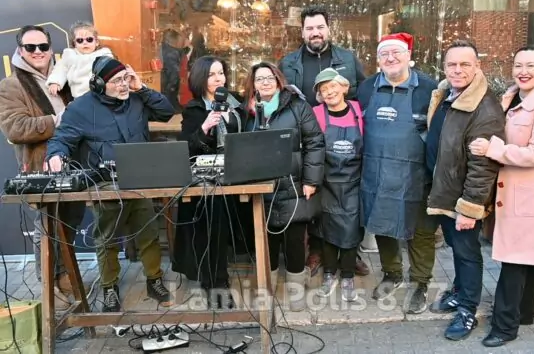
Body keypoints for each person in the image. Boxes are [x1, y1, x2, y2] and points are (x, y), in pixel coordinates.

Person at [46, 56, 175, 312]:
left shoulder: (137, 98)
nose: (123, 84)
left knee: (148, 230)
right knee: (107, 236)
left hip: (139, 177)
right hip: (104, 181)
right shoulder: (80, 108)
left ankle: (154, 280)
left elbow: (166, 112)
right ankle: (109, 287)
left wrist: (142, 88)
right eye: (117, 81)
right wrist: (55, 155)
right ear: (98, 84)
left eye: (126, 78)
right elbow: (61, 139)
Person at [469, 46, 534, 348]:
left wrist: (493, 150)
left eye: (530, 65)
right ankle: (523, 314)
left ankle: (504, 326)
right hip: (514, 193)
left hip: (531, 196)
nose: (523, 71)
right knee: (525, 259)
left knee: (514, 261)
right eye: (518, 65)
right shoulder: (511, 98)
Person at [0, 25, 86, 311]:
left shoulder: (64, 78)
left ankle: (64, 276)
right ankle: (48, 285)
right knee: (48, 225)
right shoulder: (12, 85)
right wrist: (58, 120)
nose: (38, 52)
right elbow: (15, 128)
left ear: (51, 49)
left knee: (70, 220)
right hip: (41, 164)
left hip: (73, 162)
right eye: (31, 47)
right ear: (20, 50)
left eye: (43, 46)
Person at [278, 5, 369, 277]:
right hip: (305, 139)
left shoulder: (348, 59)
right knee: (314, 195)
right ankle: (316, 250)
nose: (315, 32)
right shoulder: (288, 63)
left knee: (347, 200)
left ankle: (349, 252)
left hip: (343, 139)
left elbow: (362, 95)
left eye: (319, 27)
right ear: (302, 32)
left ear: (328, 29)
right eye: (309, 28)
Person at [425, 40, 505, 340]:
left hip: (463, 199)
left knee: (468, 253)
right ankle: (460, 292)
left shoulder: (484, 108)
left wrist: (469, 209)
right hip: (446, 193)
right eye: (452, 64)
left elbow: (483, 167)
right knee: (457, 249)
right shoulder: (447, 94)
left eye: (464, 64)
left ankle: (468, 310)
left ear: (477, 67)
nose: (457, 70)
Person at [356, 32, 439, 315]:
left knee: (421, 232)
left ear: (408, 56)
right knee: (382, 224)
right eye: (384, 54)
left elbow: (439, 132)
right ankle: (392, 273)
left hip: (417, 175)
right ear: (378, 60)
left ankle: (420, 282)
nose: (390, 58)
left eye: (396, 53)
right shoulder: (366, 88)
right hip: (377, 173)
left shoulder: (429, 89)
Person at [242, 61, 325, 311]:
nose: (265, 82)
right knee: (266, 242)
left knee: (294, 241)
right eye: (260, 79)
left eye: (270, 78)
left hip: (293, 184)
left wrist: (311, 180)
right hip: (261, 187)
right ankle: (267, 290)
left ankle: (296, 293)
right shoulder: (248, 112)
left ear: (279, 81)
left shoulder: (298, 106)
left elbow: (315, 142)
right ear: (253, 85)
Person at [172, 56, 243, 309]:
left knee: (227, 228)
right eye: (212, 74)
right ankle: (214, 283)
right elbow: (186, 147)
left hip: (234, 175)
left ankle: (221, 278)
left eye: (221, 73)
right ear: (201, 79)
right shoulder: (194, 109)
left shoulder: (236, 104)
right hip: (205, 180)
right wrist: (204, 128)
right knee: (210, 227)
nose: (218, 78)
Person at [311, 68, 363, 302]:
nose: (329, 92)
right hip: (327, 183)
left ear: (344, 87)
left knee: (351, 230)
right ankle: (329, 273)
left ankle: (348, 276)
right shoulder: (316, 114)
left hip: (354, 182)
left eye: (333, 86)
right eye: (324, 89)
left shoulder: (359, 110)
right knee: (328, 229)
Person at [46, 20, 114, 99]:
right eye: (80, 40)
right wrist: (55, 82)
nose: (85, 43)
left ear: (97, 42)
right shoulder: (69, 55)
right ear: (74, 44)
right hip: (80, 97)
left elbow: (114, 72)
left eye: (89, 39)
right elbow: (60, 69)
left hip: (102, 95)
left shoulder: (104, 54)